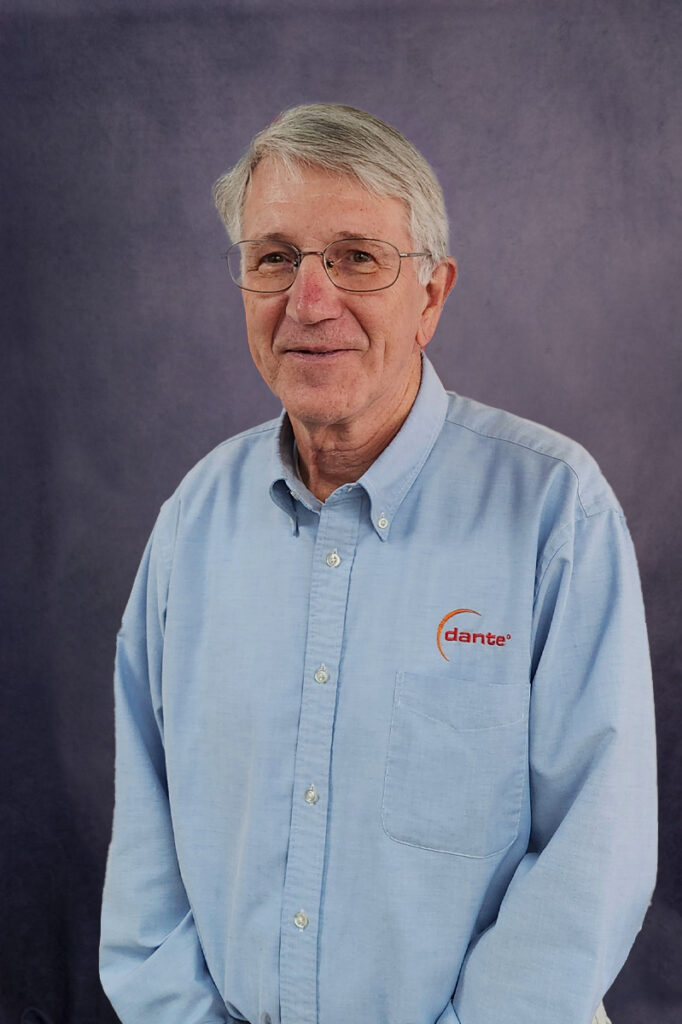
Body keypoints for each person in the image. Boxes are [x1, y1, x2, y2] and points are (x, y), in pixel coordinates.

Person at [99, 104, 657, 1024]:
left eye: (357, 257)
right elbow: (144, 863)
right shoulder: (193, 521)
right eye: (275, 258)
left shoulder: (556, 513)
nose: (309, 301)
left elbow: (594, 856)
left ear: (431, 295)